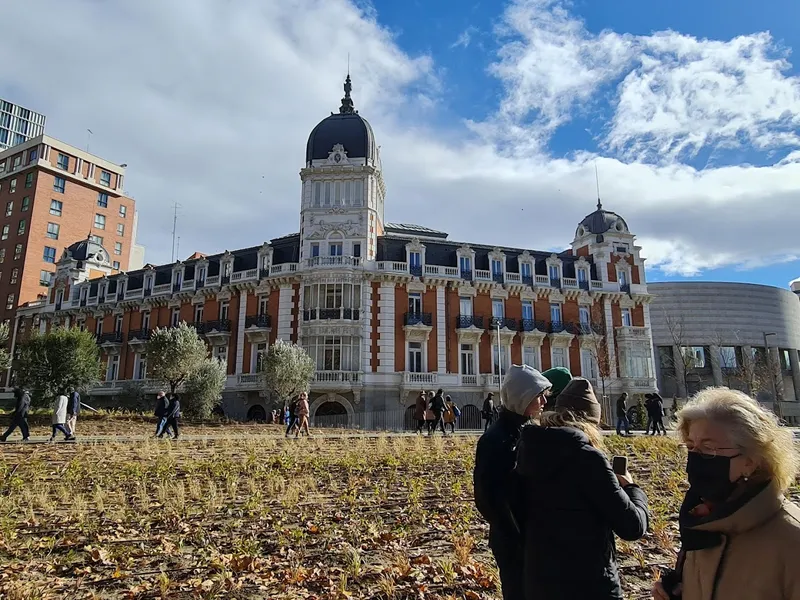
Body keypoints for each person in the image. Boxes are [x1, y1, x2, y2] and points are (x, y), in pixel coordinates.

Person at [652, 387, 800, 600]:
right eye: (691, 446)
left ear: (750, 461)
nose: (695, 459)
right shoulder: (701, 525)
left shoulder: (791, 540)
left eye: (708, 448)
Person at [516, 377, 649, 599]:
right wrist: (632, 488)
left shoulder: (528, 449)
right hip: (589, 584)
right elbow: (632, 526)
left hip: (539, 580)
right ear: (589, 421)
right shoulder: (587, 458)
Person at [474, 365, 552, 600]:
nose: (544, 403)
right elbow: (487, 497)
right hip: (513, 540)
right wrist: (515, 534)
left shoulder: (528, 430)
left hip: (530, 535)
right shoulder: (495, 440)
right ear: (522, 397)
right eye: (539, 396)